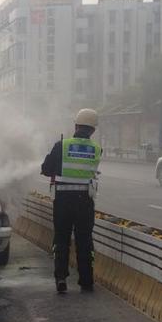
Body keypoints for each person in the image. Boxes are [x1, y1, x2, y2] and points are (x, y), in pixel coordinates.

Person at [40, 108, 102, 293]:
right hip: (85, 202)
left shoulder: (61, 145)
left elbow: (46, 169)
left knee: (61, 239)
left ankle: (61, 278)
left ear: (75, 126)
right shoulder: (97, 149)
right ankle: (86, 281)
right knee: (84, 240)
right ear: (93, 130)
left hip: (62, 201)